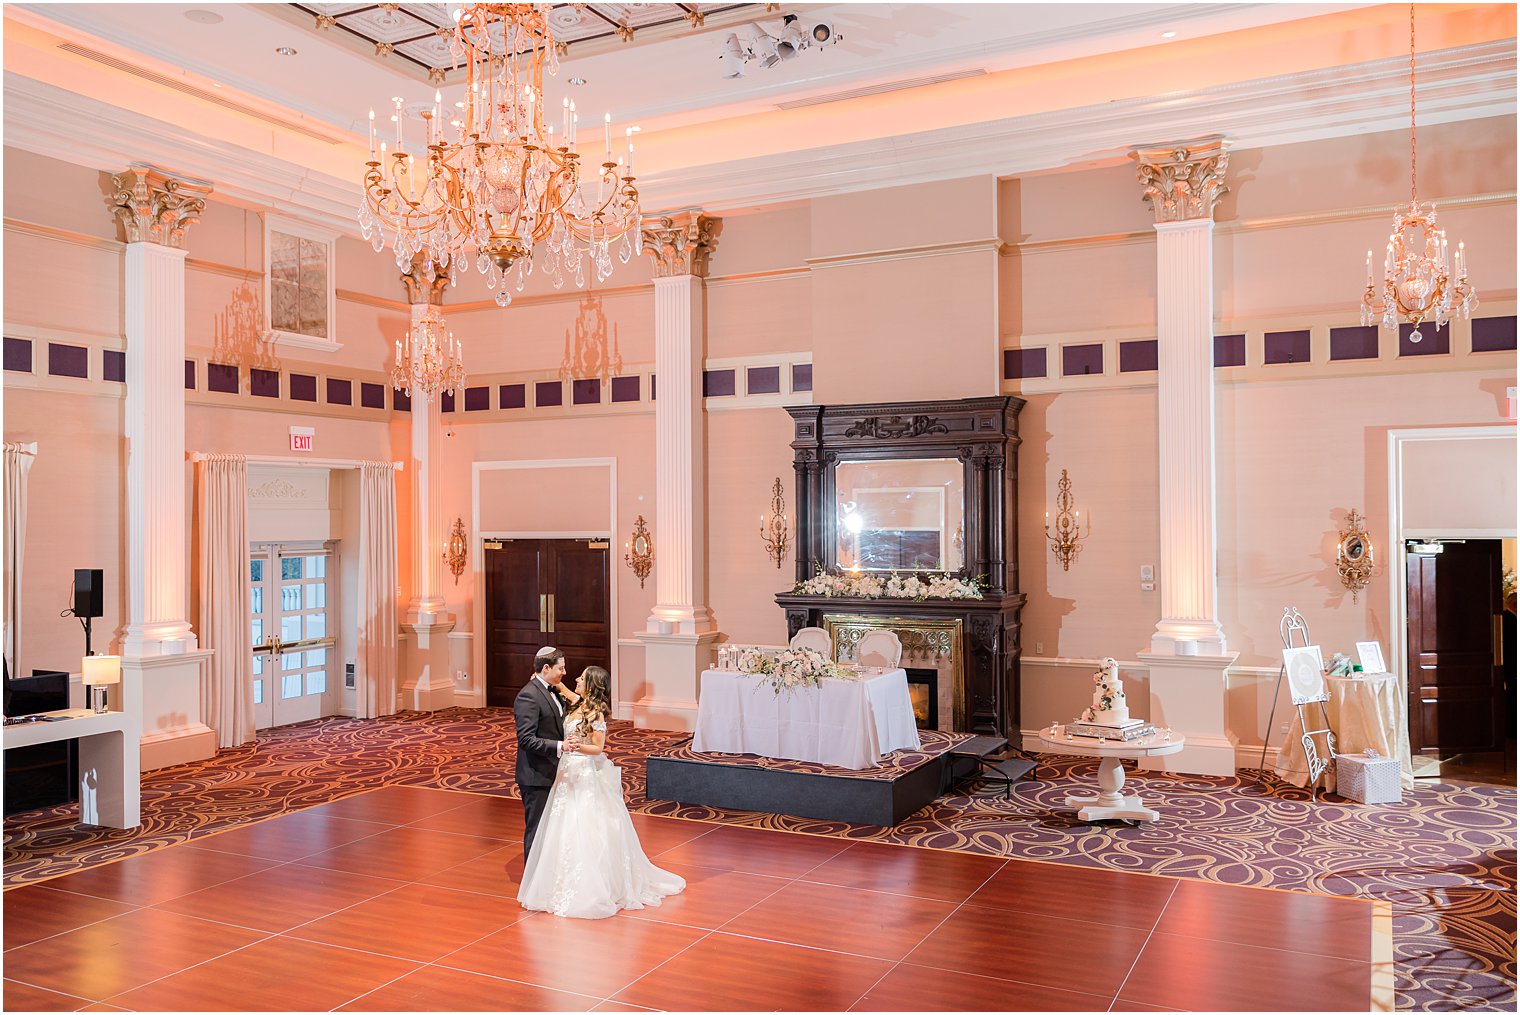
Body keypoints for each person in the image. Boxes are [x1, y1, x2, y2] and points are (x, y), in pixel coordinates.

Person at [517, 666, 686, 919]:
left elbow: (597, 748)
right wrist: (542, 681)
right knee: (561, 826)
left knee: (585, 826)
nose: (576, 679)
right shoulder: (578, 703)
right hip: (566, 773)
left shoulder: (595, 712)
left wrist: (574, 747)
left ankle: (591, 885)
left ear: (591, 685)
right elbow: (563, 689)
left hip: (582, 770)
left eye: (582, 678)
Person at [513, 647, 579, 862]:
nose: (565, 672)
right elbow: (526, 739)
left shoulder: (553, 690)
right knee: (537, 830)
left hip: (553, 771)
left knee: (552, 829)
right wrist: (561, 746)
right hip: (536, 775)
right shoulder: (528, 696)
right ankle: (531, 882)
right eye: (561, 668)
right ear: (546, 668)